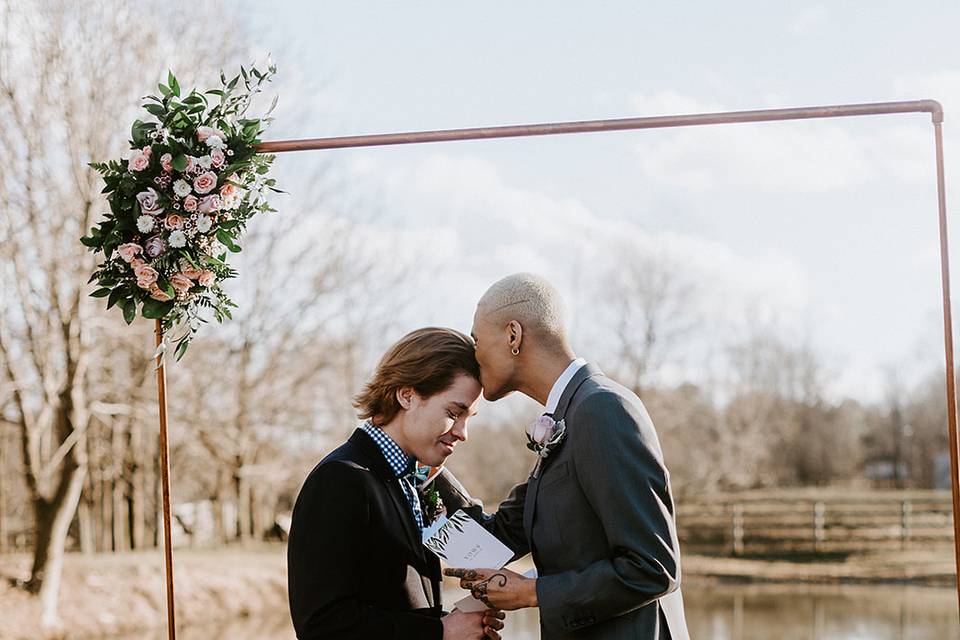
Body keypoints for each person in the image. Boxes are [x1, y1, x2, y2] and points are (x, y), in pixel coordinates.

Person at [440, 274, 689, 639]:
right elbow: (495, 539)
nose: (474, 356)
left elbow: (653, 567)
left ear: (513, 335)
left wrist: (531, 592)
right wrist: (418, 461)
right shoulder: (568, 418)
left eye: (477, 341)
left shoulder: (602, 409)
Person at [287, 327, 506, 640]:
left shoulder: (416, 479)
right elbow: (322, 625)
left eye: (469, 418)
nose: (463, 432)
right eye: (454, 413)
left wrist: (459, 625)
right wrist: (439, 632)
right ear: (407, 395)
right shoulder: (340, 480)